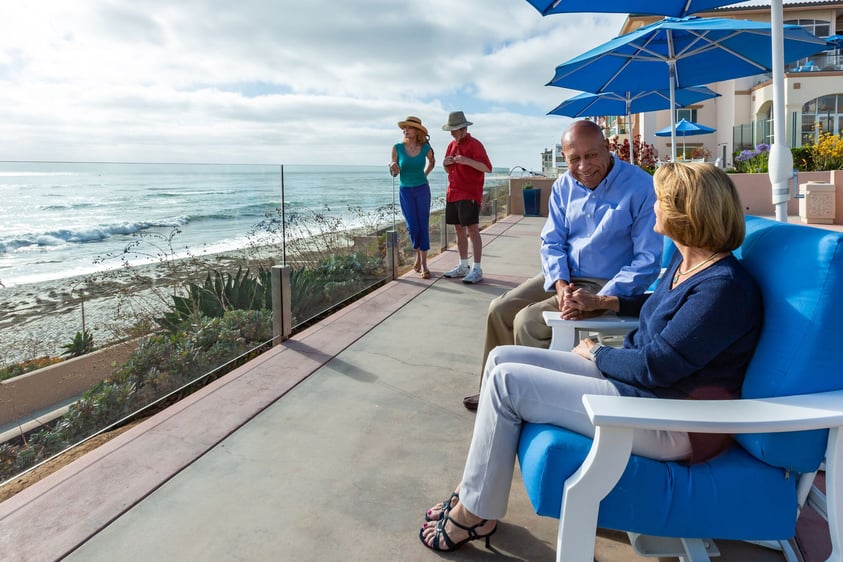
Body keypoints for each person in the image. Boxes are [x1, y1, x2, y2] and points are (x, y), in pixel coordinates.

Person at [419, 162, 762, 553]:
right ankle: (473, 491)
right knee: (500, 358)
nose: (653, 206)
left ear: (685, 213)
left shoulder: (723, 289)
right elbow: (664, 307)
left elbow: (657, 367)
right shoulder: (692, 265)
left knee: (507, 383)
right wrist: (607, 301)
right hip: (639, 392)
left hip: (670, 419)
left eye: (661, 200)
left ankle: (474, 512)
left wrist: (598, 352)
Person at [463, 119, 663, 411]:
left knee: (528, 321)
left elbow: (647, 261)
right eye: (574, 159)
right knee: (500, 310)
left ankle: (530, 403)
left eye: (591, 155)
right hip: (564, 275)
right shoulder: (563, 186)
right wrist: (559, 283)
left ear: (607, 148)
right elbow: (552, 242)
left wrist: (599, 299)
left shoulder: (641, 186)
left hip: (606, 282)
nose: (583, 166)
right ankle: (493, 388)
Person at [441, 111, 492, 285]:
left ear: (463, 129)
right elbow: (450, 170)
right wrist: (446, 164)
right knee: (458, 230)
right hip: (453, 192)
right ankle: (464, 266)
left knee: (473, 229)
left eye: (454, 129)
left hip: (469, 193)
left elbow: (487, 167)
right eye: (451, 130)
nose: (452, 133)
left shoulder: (475, 144)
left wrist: (466, 160)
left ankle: (477, 268)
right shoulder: (451, 145)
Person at [389, 116, 436, 278]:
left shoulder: (425, 148)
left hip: (422, 189)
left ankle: (424, 265)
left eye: (409, 127)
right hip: (406, 191)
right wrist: (392, 166)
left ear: (417, 131)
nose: (405, 130)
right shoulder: (397, 148)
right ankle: (418, 256)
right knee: (413, 227)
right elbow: (394, 171)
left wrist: (425, 174)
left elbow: (432, 161)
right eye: (404, 128)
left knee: (423, 225)